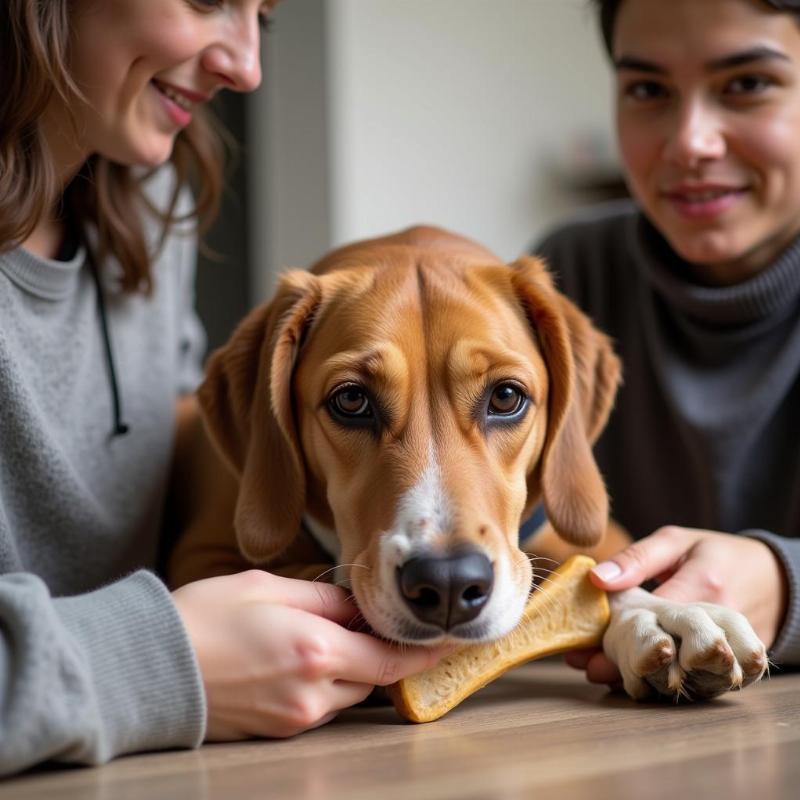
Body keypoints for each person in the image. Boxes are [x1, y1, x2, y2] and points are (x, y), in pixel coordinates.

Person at [0, 0, 444, 776]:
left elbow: (163, 452)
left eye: (263, 19)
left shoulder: (149, 202)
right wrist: (156, 662)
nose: (247, 67)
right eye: (208, 1)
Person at [534, 0, 800, 687]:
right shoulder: (568, 278)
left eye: (747, 84)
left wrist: (785, 582)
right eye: (648, 90)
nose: (691, 143)